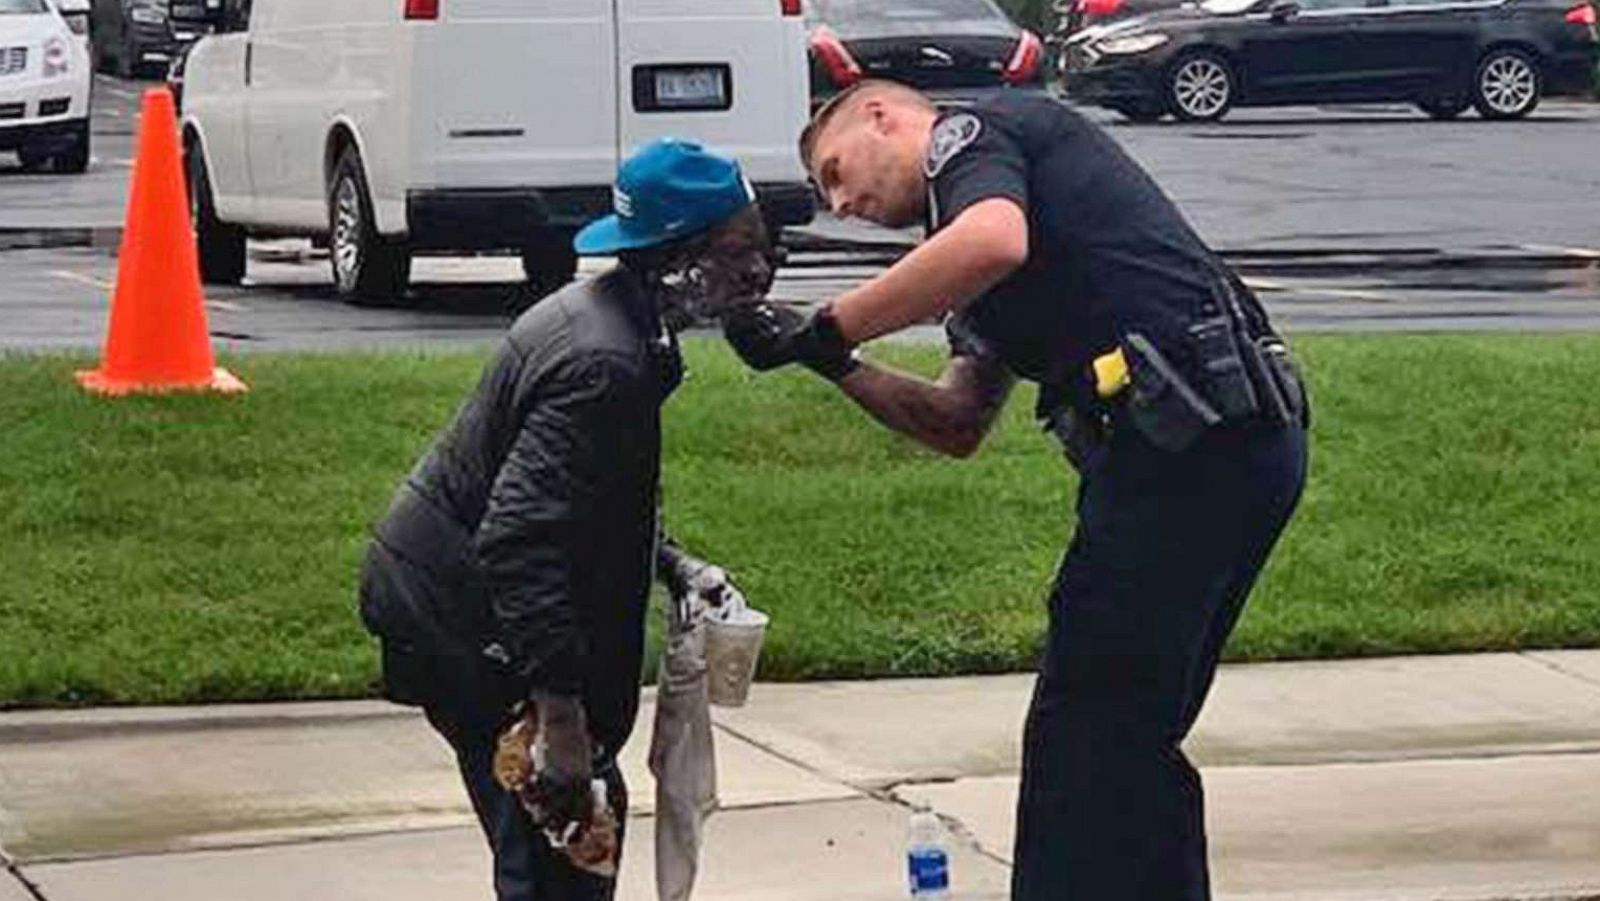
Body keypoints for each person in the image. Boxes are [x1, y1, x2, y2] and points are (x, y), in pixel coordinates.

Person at [723, 80, 1309, 900]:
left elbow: (993, 240)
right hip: (1212, 455)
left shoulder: (976, 132)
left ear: (881, 116)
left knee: (1088, 726)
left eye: (835, 172)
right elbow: (957, 419)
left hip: (1191, 452)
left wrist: (828, 323)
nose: (843, 202)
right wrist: (831, 364)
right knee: (1122, 729)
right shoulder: (974, 236)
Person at [357, 138, 775, 901]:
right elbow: (520, 537)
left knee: (563, 855)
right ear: (675, 258)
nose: (761, 270)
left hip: (449, 594)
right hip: (461, 618)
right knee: (566, 848)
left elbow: (578, 494)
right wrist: (560, 719)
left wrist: (669, 560)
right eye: (740, 250)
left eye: (764, 243)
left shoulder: (623, 324)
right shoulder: (603, 364)